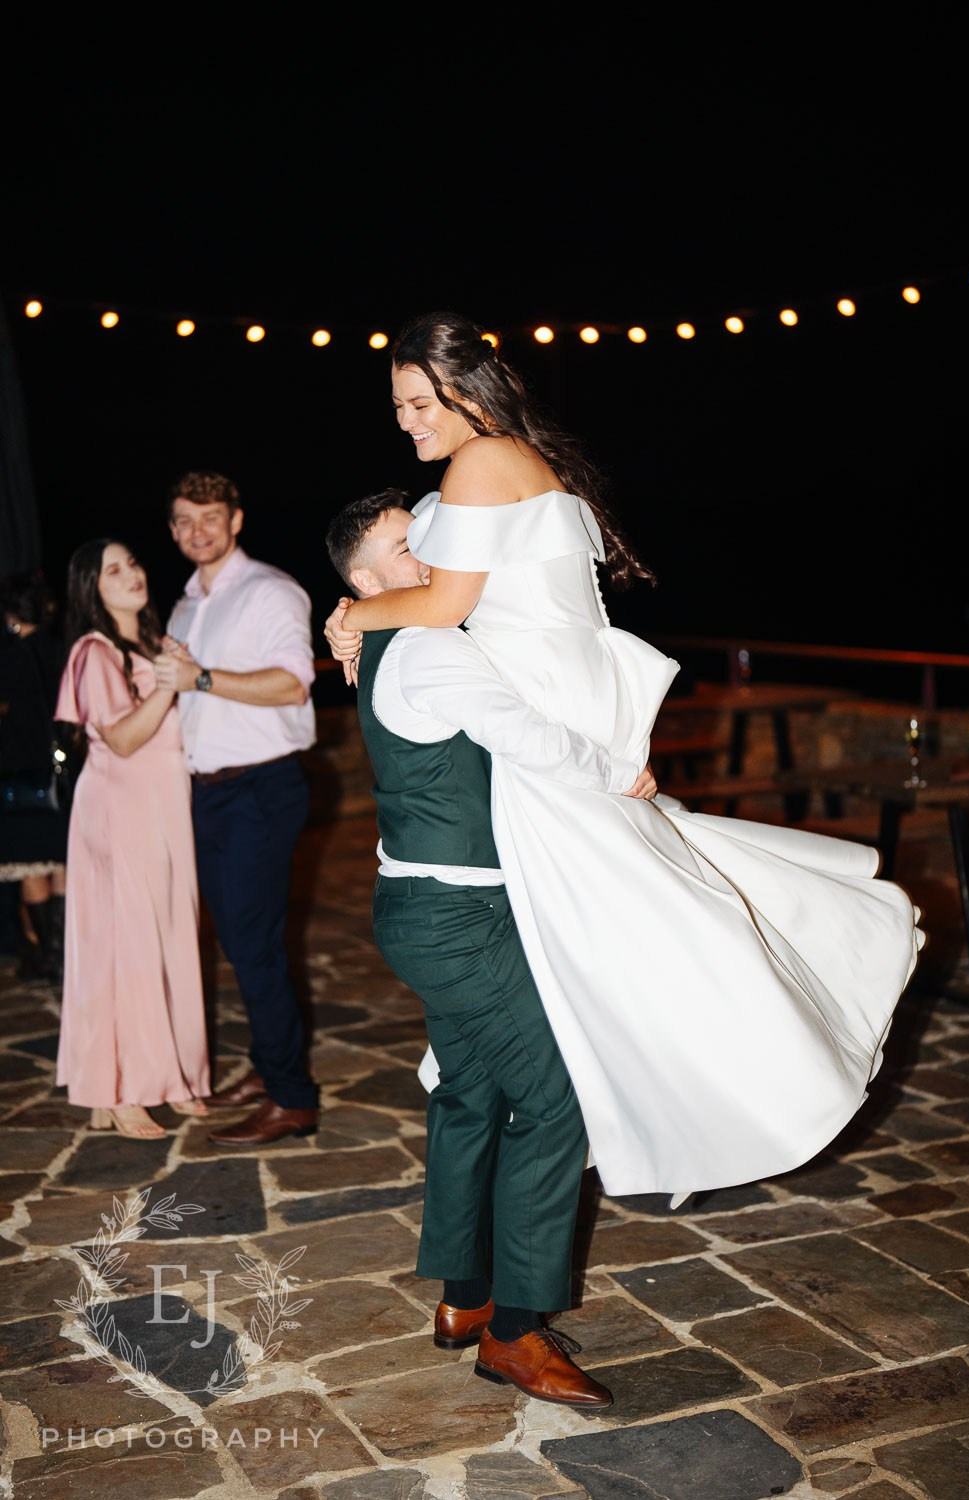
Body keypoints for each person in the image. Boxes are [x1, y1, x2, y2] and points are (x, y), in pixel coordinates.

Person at [325, 309, 925, 1206]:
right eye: (399, 406)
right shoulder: (513, 460)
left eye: (419, 403)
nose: (407, 421)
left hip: (544, 715)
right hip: (564, 701)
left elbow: (443, 605)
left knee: (611, 926)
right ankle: (592, 1102)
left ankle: (685, 1092)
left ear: (465, 393)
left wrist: (351, 614)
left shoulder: (479, 464)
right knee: (619, 910)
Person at [324, 490, 661, 1407]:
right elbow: (526, 736)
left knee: (470, 1095)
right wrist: (618, 773)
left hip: (427, 908)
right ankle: (515, 1335)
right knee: (554, 1100)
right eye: (406, 547)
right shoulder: (425, 647)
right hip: (457, 921)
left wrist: (349, 622)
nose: (429, 551)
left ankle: (465, 1297)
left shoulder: (398, 637)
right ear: (366, 583)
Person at [155, 469, 319, 1146]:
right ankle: (268, 1065)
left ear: (236, 520)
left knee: (253, 943)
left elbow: (291, 685)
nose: (198, 531)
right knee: (241, 942)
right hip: (206, 792)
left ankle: (291, 1098)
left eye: (210, 518)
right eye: (185, 520)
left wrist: (198, 676)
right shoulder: (185, 605)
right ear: (173, 529)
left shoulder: (270, 590)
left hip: (260, 787)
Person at [54, 540, 211, 1138]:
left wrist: (175, 671)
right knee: (126, 946)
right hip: (118, 808)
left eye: (134, 563)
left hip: (163, 806)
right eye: (113, 570)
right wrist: (171, 684)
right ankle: (120, 1088)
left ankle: (173, 1076)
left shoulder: (150, 643)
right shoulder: (94, 651)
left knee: (169, 936)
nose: (132, 575)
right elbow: (120, 739)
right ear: (92, 588)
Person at [0, 571, 71, 984]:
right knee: (60, 860)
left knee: (30, 867)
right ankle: (64, 956)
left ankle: (48, 954)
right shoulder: (62, 649)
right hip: (62, 773)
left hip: (20, 774)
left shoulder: (9, 657)